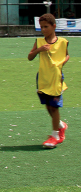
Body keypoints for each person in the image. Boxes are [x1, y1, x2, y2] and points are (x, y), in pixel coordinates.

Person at [27, 13, 69, 149]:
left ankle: (55, 135)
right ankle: (61, 125)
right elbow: (30, 57)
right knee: (48, 106)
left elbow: (66, 55)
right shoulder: (39, 42)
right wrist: (39, 50)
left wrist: (61, 63)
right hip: (43, 78)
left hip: (55, 78)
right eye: (41, 27)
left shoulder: (62, 42)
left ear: (53, 26)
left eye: (46, 27)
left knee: (55, 107)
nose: (43, 29)